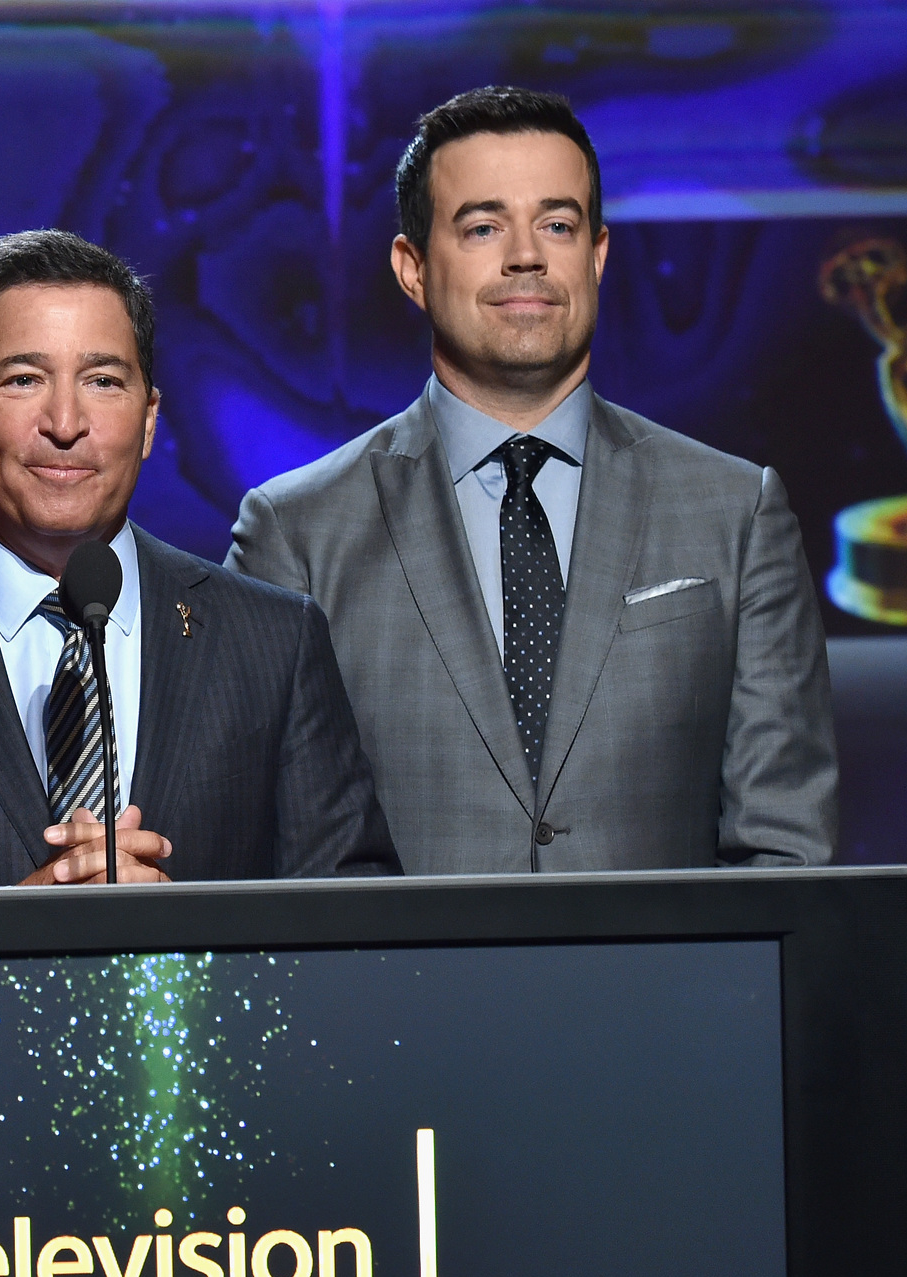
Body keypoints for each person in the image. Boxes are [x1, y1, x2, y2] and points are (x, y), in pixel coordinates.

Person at [227, 86, 838, 873]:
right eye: (483, 227)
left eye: (557, 224)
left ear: (597, 255)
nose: (527, 256)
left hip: (670, 996)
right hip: (403, 996)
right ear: (412, 268)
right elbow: (277, 858)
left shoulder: (736, 512)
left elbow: (785, 851)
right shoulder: (297, 533)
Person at [0, 229, 397, 889]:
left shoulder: (275, 643)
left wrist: (194, 947)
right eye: (24, 379)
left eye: (103, 380)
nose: (65, 421)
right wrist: (6, 939)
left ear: (148, 420)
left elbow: (358, 934)